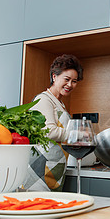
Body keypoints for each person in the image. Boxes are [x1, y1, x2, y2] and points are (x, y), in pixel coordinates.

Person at [24, 54, 83, 192]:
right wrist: (77, 135)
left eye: (74, 81)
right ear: (54, 76)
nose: (70, 85)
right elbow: (49, 131)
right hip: (40, 167)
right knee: (38, 207)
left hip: (53, 167)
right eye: (67, 79)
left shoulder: (59, 103)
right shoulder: (44, 99)